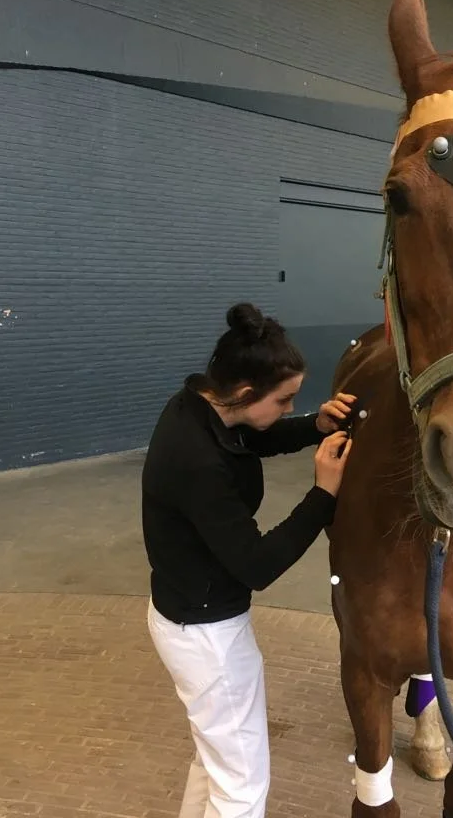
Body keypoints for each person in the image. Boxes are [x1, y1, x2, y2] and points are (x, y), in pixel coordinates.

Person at [142, 302, 355, 818]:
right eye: (285, 400)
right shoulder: (197, 461)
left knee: (215, 759)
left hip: (185, 614)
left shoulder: (197, 404)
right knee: (242, 785)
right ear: (243, 392)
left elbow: (247, 435)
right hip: (207, 634)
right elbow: (256, 564)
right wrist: (323, 494)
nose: (288, 409)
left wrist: (312, 425)